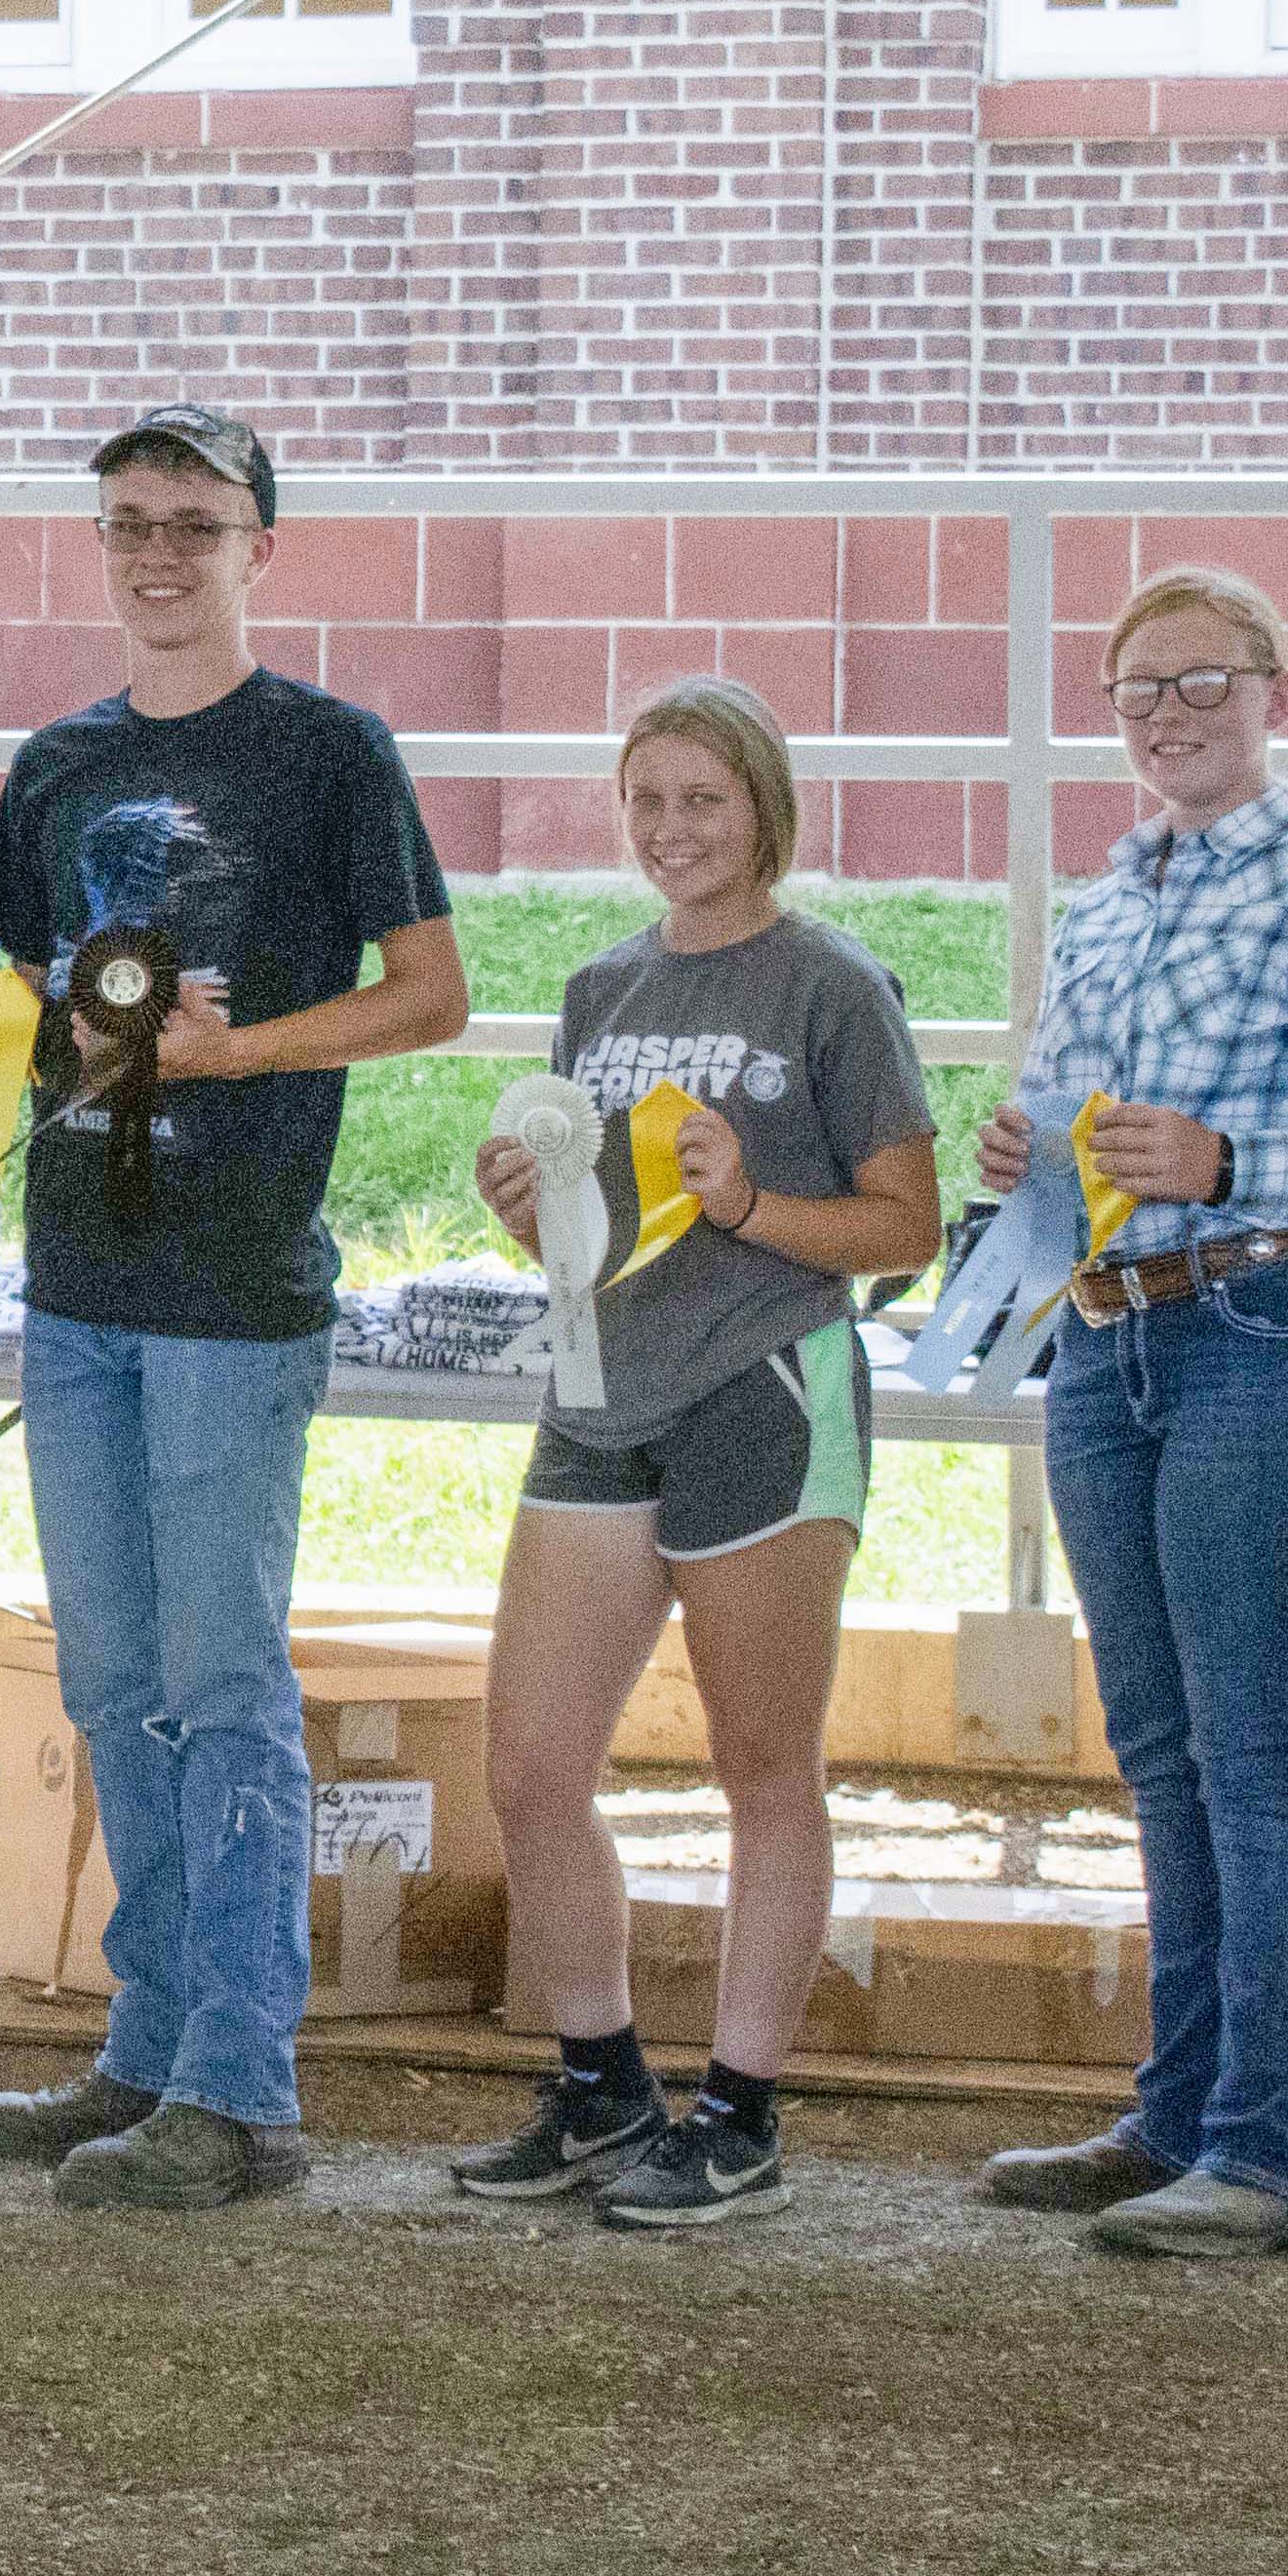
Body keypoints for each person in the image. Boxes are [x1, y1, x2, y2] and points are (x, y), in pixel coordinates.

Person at [0, 403, 467, 2210]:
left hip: (235, 1283)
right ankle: (149, 2047)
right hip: (77, 1269)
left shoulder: (330, 752)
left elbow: (432, 994)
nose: (157, 551)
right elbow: (15, 987)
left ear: (260, 542)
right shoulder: (61, 758)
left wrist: (248, 1046)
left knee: (223, 1675)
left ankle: (244, 2082)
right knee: (111, 1677)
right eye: (128, 522)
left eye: (193, 519)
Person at [963, 569, 1288, 2260]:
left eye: (1203, 682)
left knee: (1256, 1748)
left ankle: (1286, 2144)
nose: (1172, 714)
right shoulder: (1105, 910)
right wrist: (1026, 1157)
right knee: (1169, 1750)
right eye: (1140, 692)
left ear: (1278, 691)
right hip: (1110, 1335)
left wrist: (1229, 1160)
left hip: (1277, 1318)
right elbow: (1081, 1120)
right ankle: (1186, 2111)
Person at [455, 678, 944, 2231]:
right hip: (604, 1389)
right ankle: (602, 2079)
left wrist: (747, 1207)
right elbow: (594, 1216)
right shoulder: (602, 989)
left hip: (762, 1388)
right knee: (531, 1767)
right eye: (649, 800)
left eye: (706, 801)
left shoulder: (828, 984)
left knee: (760, 1766)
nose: (674, 830)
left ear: (767, 813)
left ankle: (740, 2110)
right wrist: (529, 1207)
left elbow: (907, 1227)